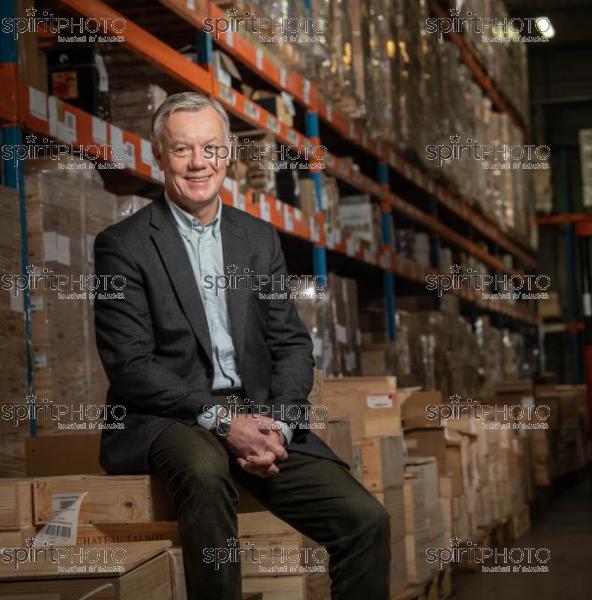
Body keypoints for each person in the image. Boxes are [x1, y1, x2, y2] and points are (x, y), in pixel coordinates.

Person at [93, 91, 390, 600]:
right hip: (170, 414)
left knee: (366, 520)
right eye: (182, 149)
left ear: (228, 153)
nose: (197, 163)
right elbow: (131, 364)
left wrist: (279, 420)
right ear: (159, 155)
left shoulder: (257, 239)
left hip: (258, 413)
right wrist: (225, 423)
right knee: (206, 470)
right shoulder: (123, 244)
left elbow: (291, 342)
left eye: (210, 148)